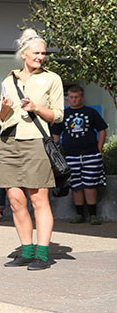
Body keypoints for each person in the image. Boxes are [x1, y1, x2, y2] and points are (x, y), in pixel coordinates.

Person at [0, 29, 64, 271]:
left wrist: (35, 107)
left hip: (36, 141)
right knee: (15, 200)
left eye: (43, 53)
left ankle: (42, 254)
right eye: (36, 53)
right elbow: (1, 118)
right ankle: (26, 251)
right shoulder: (8, 80)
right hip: (8, 142)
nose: (41, 57)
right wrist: (5, 108)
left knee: (38, 199)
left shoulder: (52, 79)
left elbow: (57, 115)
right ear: (23, 54)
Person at [51, 85, 108, 225]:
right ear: (67, 98)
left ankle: (93, 215)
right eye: (71, 97)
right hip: (70, 155)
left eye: (76, 97)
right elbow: (55, 134)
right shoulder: (63, 114)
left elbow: (102, 130)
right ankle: (79, 214)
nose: (73, 100)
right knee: (76, 185)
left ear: (82, 97)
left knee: (90, 185)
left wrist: (99, 149)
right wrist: (58, 153)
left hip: (91, 154)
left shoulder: (91, 112)